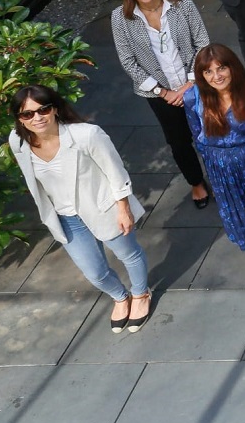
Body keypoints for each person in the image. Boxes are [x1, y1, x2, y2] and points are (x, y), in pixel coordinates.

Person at [9, 86, 151, 333]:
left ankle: (141, 294)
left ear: (54, 109)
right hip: (66, 217)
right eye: (27, 114)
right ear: (19, 118)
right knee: (94, 272)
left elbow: (115, 172)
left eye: (43, 109)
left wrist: (124, 209)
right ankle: (120, 296)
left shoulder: (86, 135)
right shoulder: (18, 142)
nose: (37, 118)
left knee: (129, 255)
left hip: (103, 208)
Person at [111, 0, 211, 209]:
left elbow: (202, 43)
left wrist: (189, 83)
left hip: (195, 83)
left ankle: (221, 178)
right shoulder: (120, 18)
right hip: (159, 94)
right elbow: (128, 61)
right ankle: (196, 183)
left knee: (211, 132)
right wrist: (162, 91)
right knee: (178, 141)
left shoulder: (182, 4)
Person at [184, 43, 245, 271]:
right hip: (222, 168)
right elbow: (197, 135)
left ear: (232, 67)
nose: (216, 76)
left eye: (221, 68)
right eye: (208, 71)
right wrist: (213, 164)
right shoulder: (193, 99)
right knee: (242, 207)